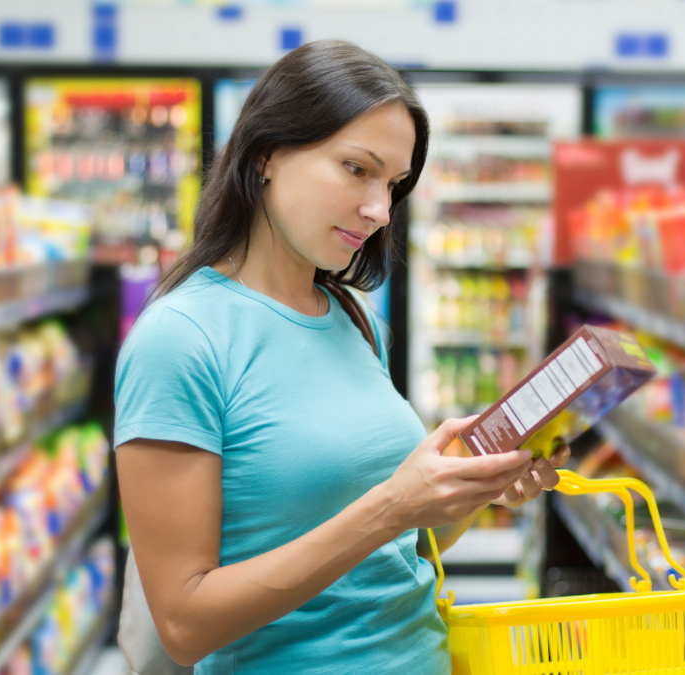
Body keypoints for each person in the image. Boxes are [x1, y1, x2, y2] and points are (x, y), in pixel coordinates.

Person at [114, 39, 569, 675]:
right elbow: (186, 624)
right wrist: (391, 507)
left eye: (394, 184)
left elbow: (397, 551)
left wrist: (468, 491)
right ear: (267, 153)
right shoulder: (182, 338)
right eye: (358, 169)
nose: (380, 211)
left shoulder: (350, 318)